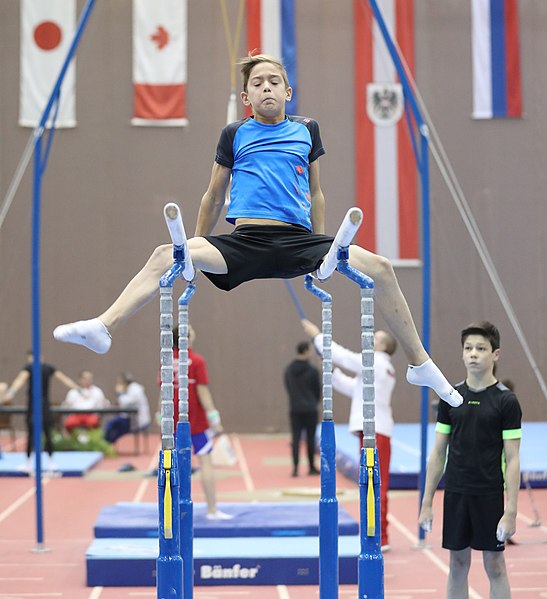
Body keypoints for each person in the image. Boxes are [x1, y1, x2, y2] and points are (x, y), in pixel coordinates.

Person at [52, 53, 462, 411]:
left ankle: (420, 364)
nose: (267, 87)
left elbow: (316, 193)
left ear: (288, 91)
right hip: (244, 242)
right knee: (164, 253)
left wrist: (321, 255)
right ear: (246, 98)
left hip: (300, 242)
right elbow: (213, 197)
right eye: (257, 83)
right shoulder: (235, 133)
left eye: (274, 81)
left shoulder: (307, 129)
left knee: (382, 267)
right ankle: (104, 327)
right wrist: (192, 250)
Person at [418, 321, 521, 599]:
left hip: (489, 494)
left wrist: (511, 509)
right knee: (458, 564)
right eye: (468, 348)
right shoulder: (451, 397)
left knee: (495, 565)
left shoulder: (506, 401)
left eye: (480, 348)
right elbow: (438, 453)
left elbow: (512, 459)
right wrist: (426, 502)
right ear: (462, 353)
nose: (473, 353)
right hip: (456, 493)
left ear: (495, 354)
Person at [302, 319, 397, 550]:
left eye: (375, 338)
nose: (371, 340)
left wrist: (317, 337)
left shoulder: (375, 363)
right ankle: (376, 532)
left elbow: (344, 356)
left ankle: (380, 536)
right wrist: (330, 369)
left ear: (383, 346)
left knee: (375, 483)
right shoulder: (377, 368)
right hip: (372, 431)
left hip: (377, 432)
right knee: (371, 482)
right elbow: (351, 387)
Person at [158, 325, 232, 520]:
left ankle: (170, 513)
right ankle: (212, 510)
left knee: (170, 466)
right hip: (195, 420)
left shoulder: (166, 360)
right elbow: (202, 391)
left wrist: (160, 415)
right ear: (188, 338)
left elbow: (163, 391)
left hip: (172, 420)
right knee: (205, 460)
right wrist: (214, 417)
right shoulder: (197, 361)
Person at [3, 351, 78, 472]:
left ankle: (36, 461)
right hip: (41, 405)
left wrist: (11, 392)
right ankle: (44, 461)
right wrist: (77, 388)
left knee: (36, 433)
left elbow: (20, 380)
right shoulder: (45, 368)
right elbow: (64, 378)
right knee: (45, 432)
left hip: (36, 405)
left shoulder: (32, 367)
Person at [284, 340, 321, 477]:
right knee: (310, 439)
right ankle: (311, 466)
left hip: (295, 409)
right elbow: (318, 390)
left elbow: (288, 386)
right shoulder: (312, 371)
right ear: (306, 351)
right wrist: (313, 402)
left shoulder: (289, 370)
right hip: (310, 409)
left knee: (296, 438)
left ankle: (295, 468)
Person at [104, 372, 151, 443]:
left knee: (111, 424)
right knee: (111, 425)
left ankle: (107, 443)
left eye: (120, 383)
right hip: (129, 418)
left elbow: (126, 402)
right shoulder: (129, 389)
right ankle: (108, 443)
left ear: (124, 382)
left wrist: (119, 393)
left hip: (136, 420)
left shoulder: (136, 389)